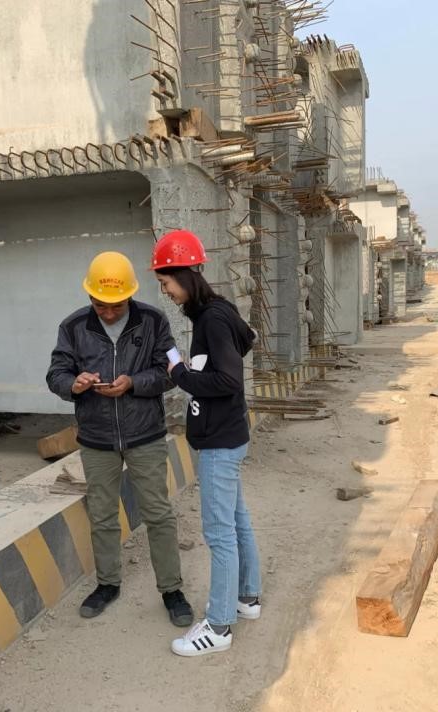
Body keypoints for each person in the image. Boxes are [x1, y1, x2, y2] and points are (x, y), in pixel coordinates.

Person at [46, 251, 194, 626]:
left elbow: (171, 370)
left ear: (130, 295)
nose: (109, 313)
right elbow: (56, 374)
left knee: (158, 513)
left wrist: (133, 383)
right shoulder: (73, 326)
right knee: (102, 515)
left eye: (117, 305)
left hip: (145, 434)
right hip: (96, 438)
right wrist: (75, 384)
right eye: (101, 305)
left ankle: (172, 589)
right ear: (89, 296)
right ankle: (108, 583)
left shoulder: (154, 321)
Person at [151, 229, 262, 657]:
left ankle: (218, 626)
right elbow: (246, 340)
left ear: (184, 275)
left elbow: (228, 379)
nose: (166, 291)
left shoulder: (212, 319)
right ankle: (247, 597)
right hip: (227, 434)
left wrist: (180, 373)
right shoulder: (218, 312)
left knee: (219, 533)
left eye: (166, 283)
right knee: (236, 520)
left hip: (219, 442)